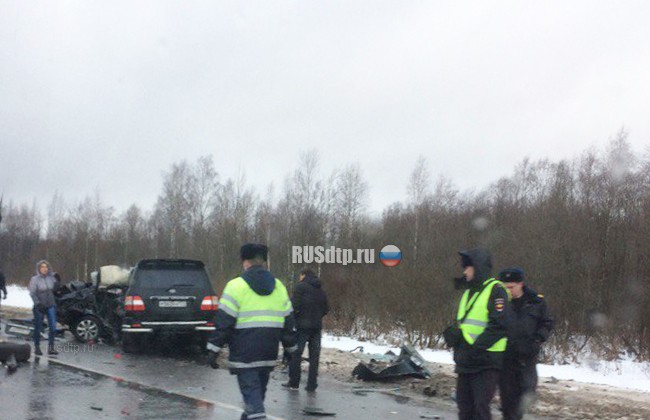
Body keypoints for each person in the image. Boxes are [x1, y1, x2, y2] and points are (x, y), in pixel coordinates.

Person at [207, 243, 297, 420]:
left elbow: (224, 322)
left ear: (244, 261)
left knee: (254, 404)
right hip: (268, 352)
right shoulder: (279, 286)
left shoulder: (235, 286)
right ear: (263, 261)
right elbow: (289, 321)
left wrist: (213, 349)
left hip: (244, 353)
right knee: (255, 401)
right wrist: (290, 349)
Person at [445, 248, 510, 420]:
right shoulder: (468, 292)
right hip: (466, 361)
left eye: (468, 267)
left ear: (478, 267)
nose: (464, 271)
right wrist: (455, 334)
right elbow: (466, 322)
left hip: (486, 361)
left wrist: (475, 347)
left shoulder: (496, 290)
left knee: (480, 409)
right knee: (464, 408)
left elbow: (499, 325)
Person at [498, 267, 554, 420]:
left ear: (521, 284)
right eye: (505, 287)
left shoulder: (536, 302)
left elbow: (547, 322)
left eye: (511, 287)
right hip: (506, 358)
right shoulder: (499, 303)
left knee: (526, 394)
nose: (508, 290)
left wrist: (538, 339)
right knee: (509, 402)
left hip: (527, 357)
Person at [283, 267, 329, 392]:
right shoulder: (321, 290)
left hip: (302, 326)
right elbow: (326, 308)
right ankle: (312, 385)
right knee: (314, 357)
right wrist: (317, 317)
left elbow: (294, 305)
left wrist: (296, 318)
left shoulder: (300, 287)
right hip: (316, 327)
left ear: (303, 275)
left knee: (296, 354)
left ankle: (294, 383)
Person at [28, 260, 59, 356]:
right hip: (39, 305)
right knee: (38, 326)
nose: (44, 269)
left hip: (51, 304)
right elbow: (32, 293)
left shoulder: (51, 278)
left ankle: (51, 347)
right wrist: (37, 303)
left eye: (46, 267)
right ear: (39, 268)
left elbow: (56, 290)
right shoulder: (34, 279)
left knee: (53, 327)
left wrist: (57, 284)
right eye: (42, 267)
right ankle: (37, 347)